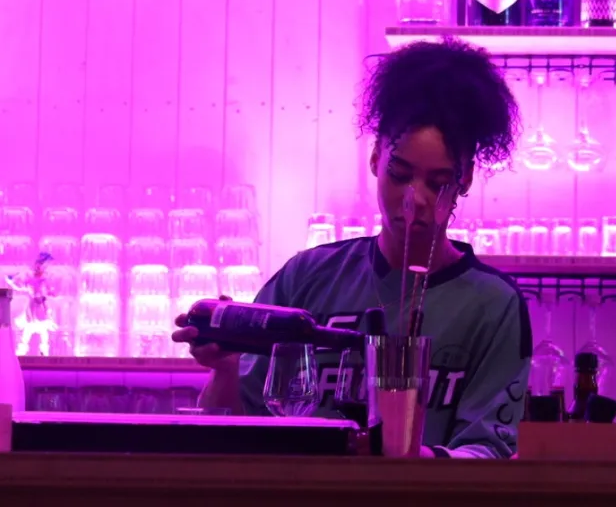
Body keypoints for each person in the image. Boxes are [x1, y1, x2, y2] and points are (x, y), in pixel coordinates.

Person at [173, 38, 532, 459]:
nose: (413, 200)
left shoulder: (493, 306)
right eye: (399, 174)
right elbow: (238, 435)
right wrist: (226, 368)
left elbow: (491, 451)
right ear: (377, 158)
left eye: (438, 184)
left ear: (466, 179)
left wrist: (409, 461)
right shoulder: (305, 278)